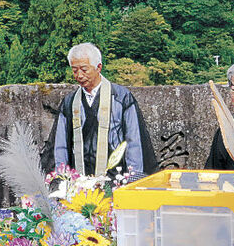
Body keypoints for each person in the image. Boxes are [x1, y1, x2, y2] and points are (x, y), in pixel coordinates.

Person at [44, 43, 157, 176]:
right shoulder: (70, 102)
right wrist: (61, 177)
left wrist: (133, 177)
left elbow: (134, 142)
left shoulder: (121, 98)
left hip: (116, 178)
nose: (79, 75)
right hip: (80, 180)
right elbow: (60, 146)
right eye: (75, 70)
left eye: (84, 69)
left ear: (99, 67)